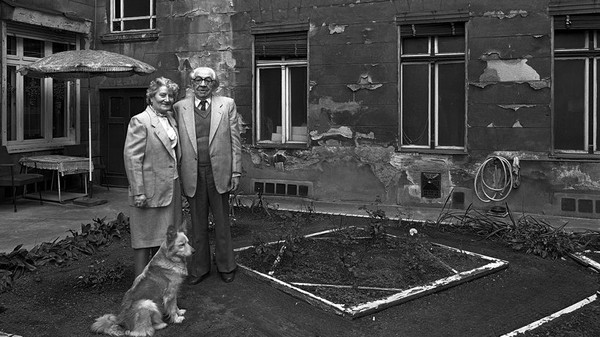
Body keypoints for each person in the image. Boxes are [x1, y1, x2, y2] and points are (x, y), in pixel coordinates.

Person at [173, 66, 241, 284]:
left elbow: (235, 141)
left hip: (218, 172)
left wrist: (236, 171)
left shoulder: (226, 105)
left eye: (207, 81)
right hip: (192, 173)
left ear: (214, 84)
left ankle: (226, 266)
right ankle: (200, 269)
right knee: (197, 223)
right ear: (192, 84)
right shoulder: (179, 107)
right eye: (198, 80)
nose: (202, 84)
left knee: (222, 222)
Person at [123, 77, 182, 277]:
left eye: (170, 96)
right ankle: (141, 293)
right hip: (148, 190)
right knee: (144, 241)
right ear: (151, 97)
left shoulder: (171, 119)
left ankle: (162, 288)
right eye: (162, 95)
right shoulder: (140, 121)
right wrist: (138, 192)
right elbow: (132, 159)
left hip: (171, 187)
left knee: (166, 241)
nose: (167, 99)